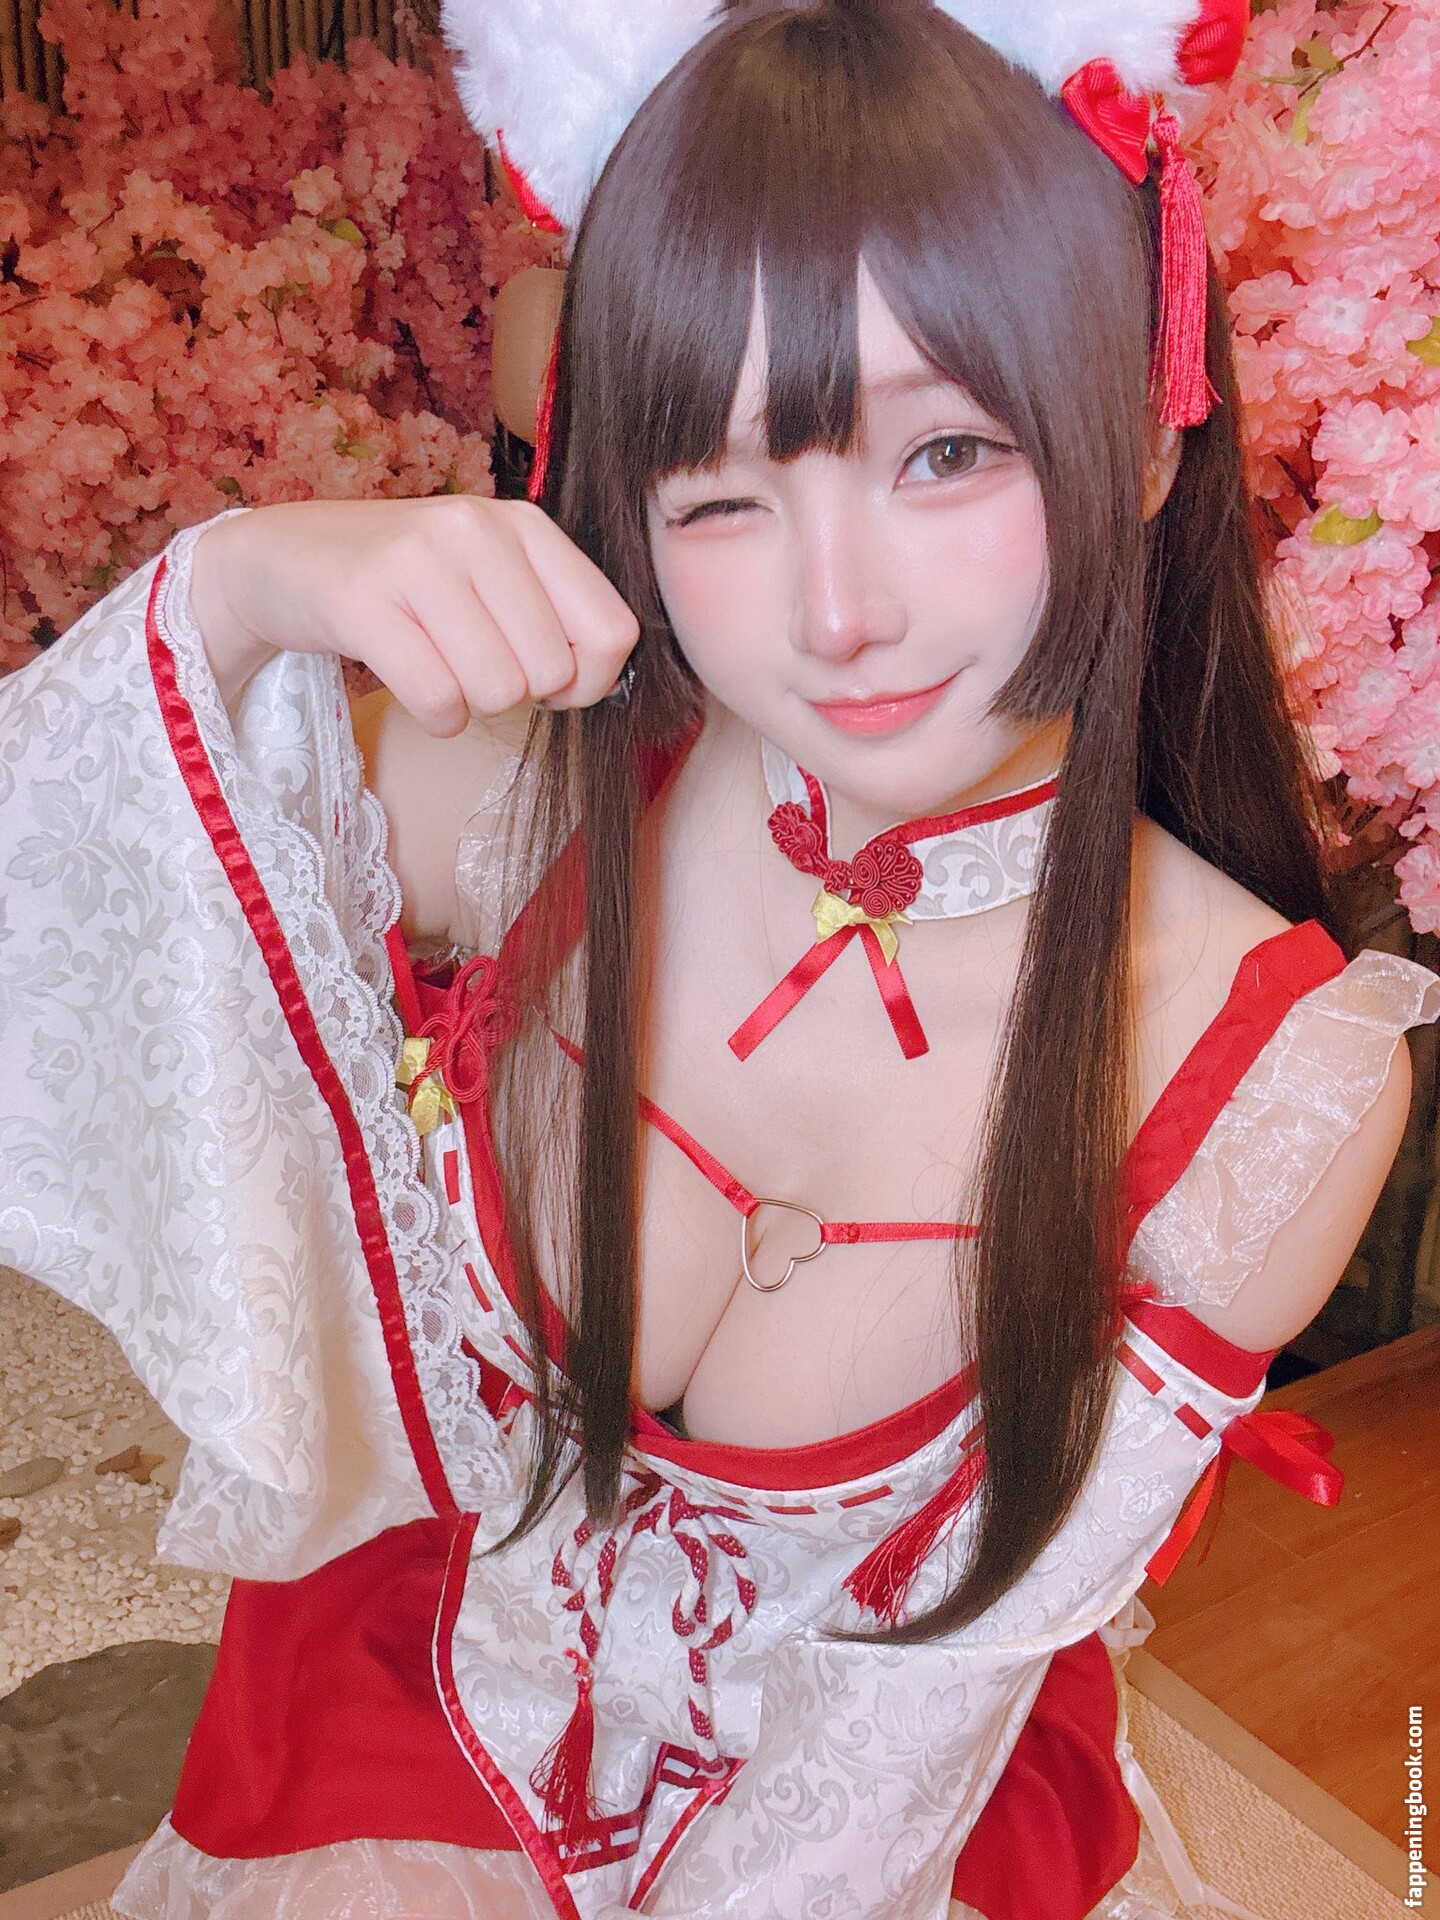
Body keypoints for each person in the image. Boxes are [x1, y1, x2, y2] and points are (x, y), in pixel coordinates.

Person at [1, 2, 1435, 1916]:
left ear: (1153, 423)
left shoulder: (1275, 1078)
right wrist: (240, 587)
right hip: (382, 1720)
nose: (837, 616)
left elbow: (877, 1784)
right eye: (724, 493)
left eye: (946, 453)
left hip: (879, 1826)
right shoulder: (525, 792)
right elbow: (49, 934)